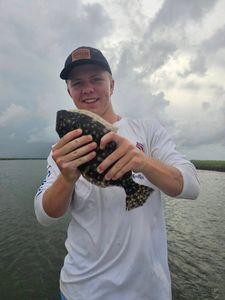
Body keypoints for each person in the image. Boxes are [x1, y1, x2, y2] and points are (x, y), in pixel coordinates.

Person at [34, 46, 200, 300]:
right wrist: (66, 178)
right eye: (78, 83)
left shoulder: (147, 130)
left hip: (148, 291)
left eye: (96, 79)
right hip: (80, 290)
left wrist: (142, 162)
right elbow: (45, 215)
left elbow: (191, 186)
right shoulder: (62, 150)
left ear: (112, 85)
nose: (88, 89)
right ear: (69, 92)